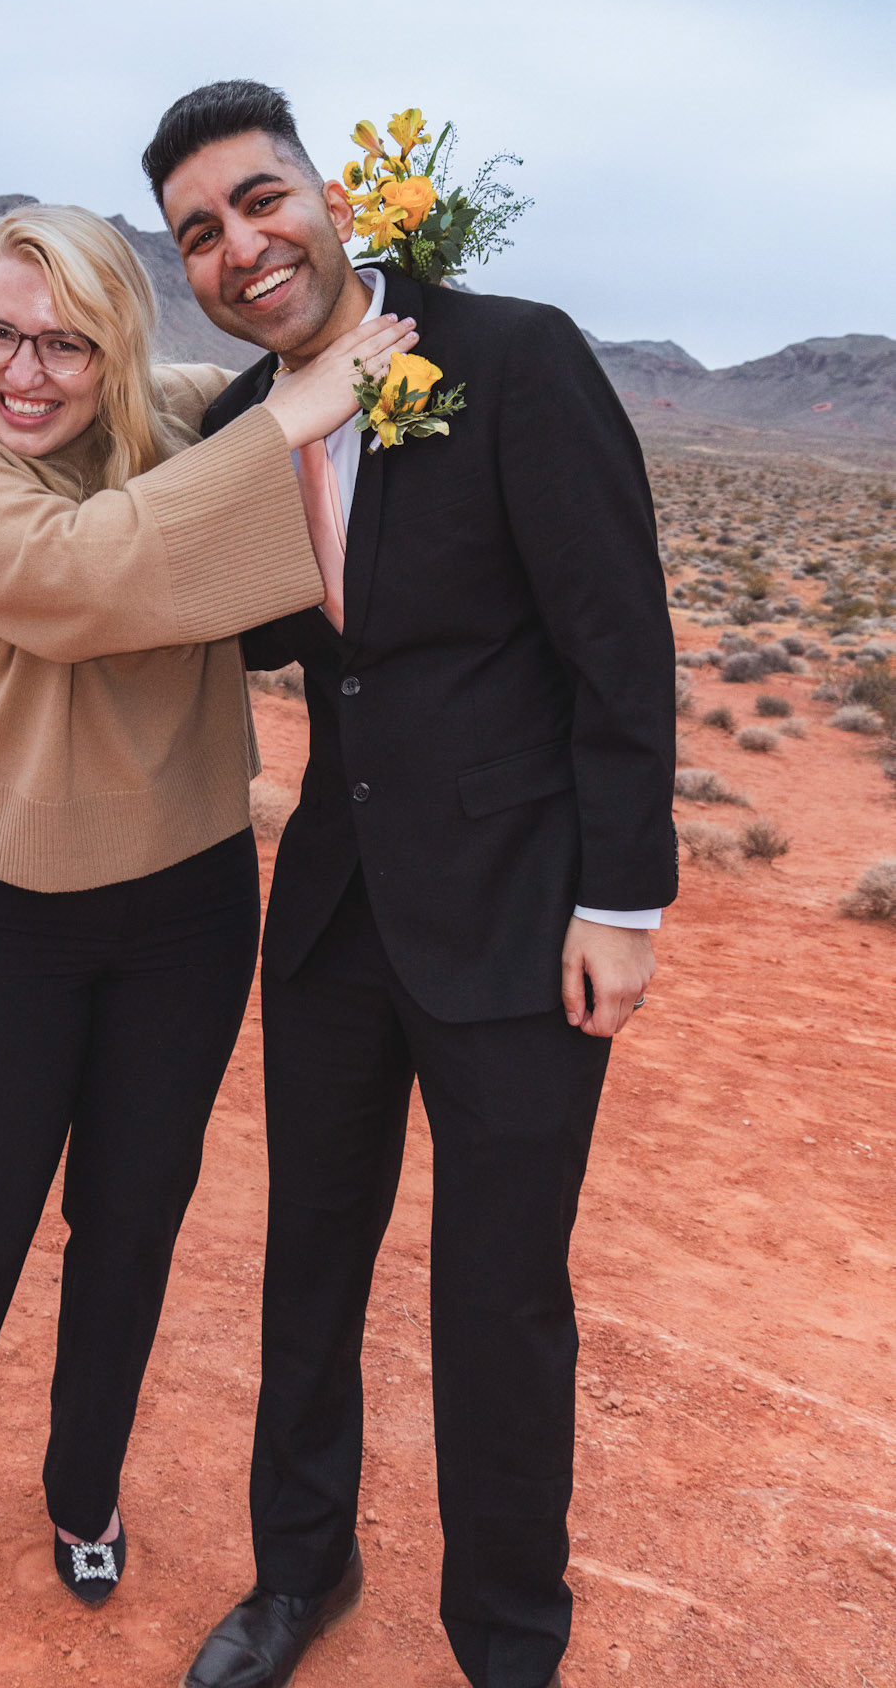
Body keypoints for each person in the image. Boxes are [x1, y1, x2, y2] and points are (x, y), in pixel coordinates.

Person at [139, 83, 678, 1688]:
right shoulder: (244, 427)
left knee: (498, 1298)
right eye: (198, 234)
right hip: (330, 914)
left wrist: (621, 903)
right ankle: (298, 1575)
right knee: (307, 1263)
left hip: (521, 917)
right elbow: (225, 614)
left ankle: (507, 1640)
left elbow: (616, 638)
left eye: (259, 199)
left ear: (326, 197)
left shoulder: (511, 358)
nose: (241, 247)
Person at [0, 203, 418, 1616]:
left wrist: (380, 264)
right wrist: (289, 423)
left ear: (117, 350)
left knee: (135, 1214)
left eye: (67, 344)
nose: (26, 372)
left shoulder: (180, 419)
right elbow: (95, 571)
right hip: (3, 906)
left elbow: (305, 355)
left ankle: (84, 1482)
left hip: (186, 899)